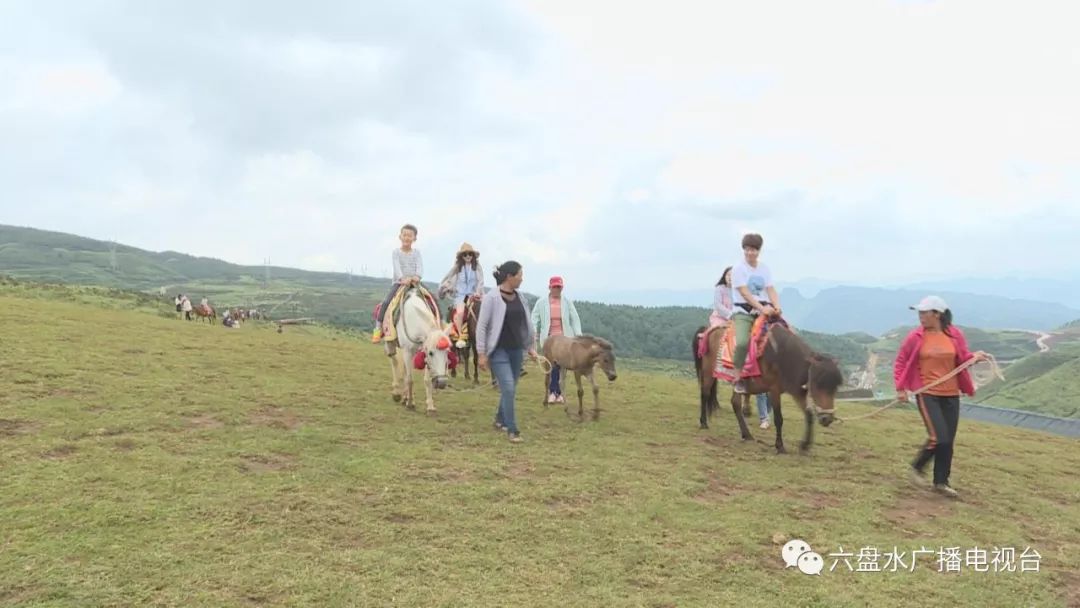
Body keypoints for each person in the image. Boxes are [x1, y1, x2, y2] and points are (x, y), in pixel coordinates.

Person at [894, 296, 987, 498]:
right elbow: (901, 361)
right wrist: (901, 388)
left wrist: (975, 357)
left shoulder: (954, 335)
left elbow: (962, 358)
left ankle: (941, 482)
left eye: (924, 313)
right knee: (938, 437)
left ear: (937, 314)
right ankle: (917, 467)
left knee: (948, 441)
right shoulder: (915, 337)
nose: (920, 317)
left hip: (951, 394)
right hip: (927, 392)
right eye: (919, 313)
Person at [477, 261, 537, 443]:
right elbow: (482, 326)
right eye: (519, 274)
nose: (522, 278)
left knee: (510, 388)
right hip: (498, 351)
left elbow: (526, 324)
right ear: (510, 277)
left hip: (516, 350)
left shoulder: (521, 297)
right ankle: (512, 429)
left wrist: (531, 347)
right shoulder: (491, 298)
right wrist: (481, 353)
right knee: (509, 387)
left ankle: (499, 419)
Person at [730, 233, 781, 394]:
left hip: (764, 311)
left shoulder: (764, 268)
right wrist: (761, 308)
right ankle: (737, 377)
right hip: (744, 311)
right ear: (744, 250)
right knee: (743, 342)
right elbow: (745, 293)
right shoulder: (738, 269)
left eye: (754, 249)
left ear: (759, 251)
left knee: (786, 335)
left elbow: (770, 288)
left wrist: (777, 305)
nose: (750, 252)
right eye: (748, 249)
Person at [530, 276, 582, 404]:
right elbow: (534, 318)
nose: (557, 289)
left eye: (559, 287)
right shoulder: (541, 302)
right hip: (549, 339)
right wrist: (533, 333)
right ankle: (554, 392)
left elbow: (574, 318)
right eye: (555, 287)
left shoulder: (567, 302)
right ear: (550, 287)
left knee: (562, 366)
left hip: (564, 338)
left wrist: (579, 335)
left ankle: (558, 393)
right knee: (553, 366)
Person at [372, 224, 424, 343]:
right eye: (404, 235)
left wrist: (417, 276)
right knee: (386, 302)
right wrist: (402, 278)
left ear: (414, 238)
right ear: (400, 236)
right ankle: (378, 328)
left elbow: (420, 266)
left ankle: (435, 325)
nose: (407, 237)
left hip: (414, 283)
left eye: (410, 235)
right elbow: (397, 267)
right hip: (399, 283)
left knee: (431, 301)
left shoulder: (417, 253)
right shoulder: (396, 252)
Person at [437, 242, 485, 348]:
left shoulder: (477, 266)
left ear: (473, 255)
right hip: (461, 295)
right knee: (460, 313)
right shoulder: (457, 267)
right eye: (465, 254)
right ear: (461, 256)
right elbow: (447, 277)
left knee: (486, 309)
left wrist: (477, 292)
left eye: (470, 254)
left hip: (474, 294)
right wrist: (444, 286)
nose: (468, 256)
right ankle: (460, 336)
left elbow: (481, 280)